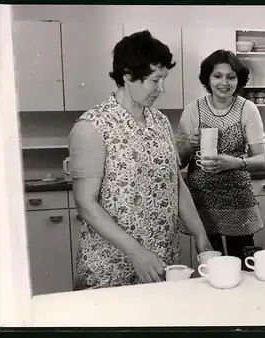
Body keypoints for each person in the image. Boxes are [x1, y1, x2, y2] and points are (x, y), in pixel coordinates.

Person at [68, 30, 212, 290]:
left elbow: (174, 185)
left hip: (162, 262)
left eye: (164, 79)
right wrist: (136, 253)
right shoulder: (92, 126)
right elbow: (86, 205)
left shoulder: (160, 122)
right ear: (127, 75)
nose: (162, 89)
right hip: (110, 268)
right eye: (155, 80)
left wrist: (201, 235)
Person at [175, 49, 265, 264]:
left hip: (238, 201)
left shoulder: (248, 109)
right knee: (211, 265)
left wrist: (236, 162)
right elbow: (178, 161)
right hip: (202, 202)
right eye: (217, 76)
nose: (224, 83)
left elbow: (263, 160)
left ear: (239, 79)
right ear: (208, 78)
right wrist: (190, 144)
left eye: (231, 76)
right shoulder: (193, 110)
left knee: (243, 264)